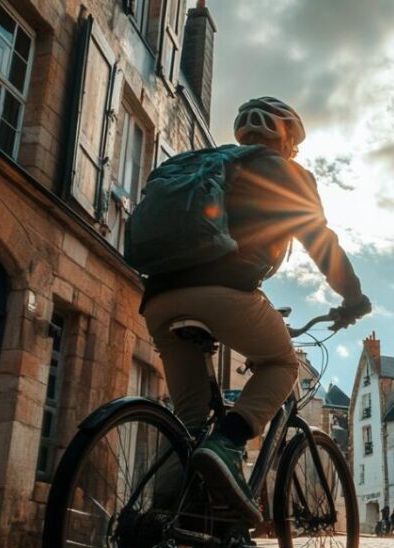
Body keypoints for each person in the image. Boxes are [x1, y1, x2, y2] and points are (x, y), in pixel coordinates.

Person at [141, 97, 371, 524]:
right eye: (294, 145)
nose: (294, 153)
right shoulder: (285, 172)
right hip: (222, 293)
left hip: (158, 299)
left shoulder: (209, 164)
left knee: (188, 420)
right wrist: (353, 298)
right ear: (285, 139)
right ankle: (228, 444)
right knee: (282, 364)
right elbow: (321, 242)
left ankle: (164, 520)